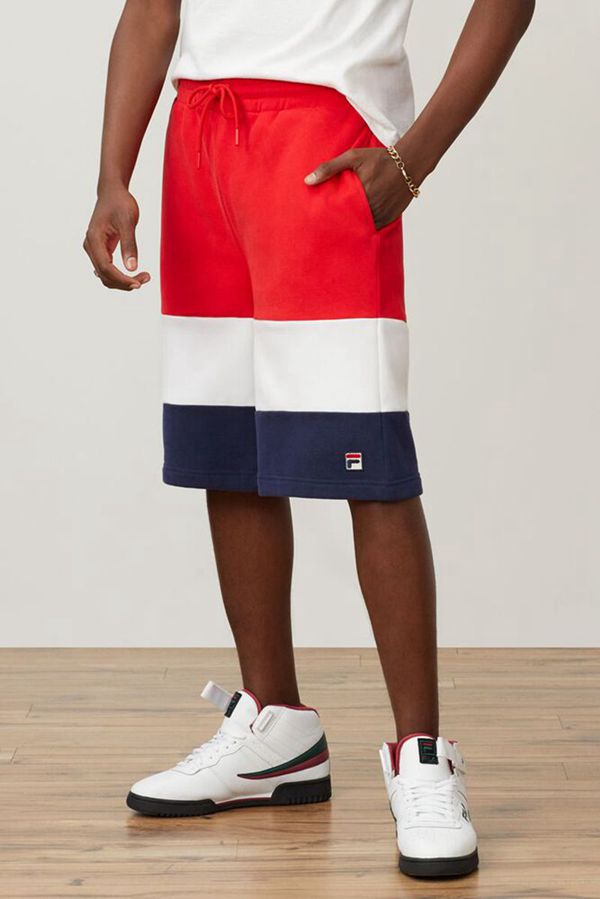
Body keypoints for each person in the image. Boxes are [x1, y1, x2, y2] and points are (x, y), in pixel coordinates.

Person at [84, 0, 535, 879]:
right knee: (228, 445)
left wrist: (412, 159)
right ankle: (278, 728)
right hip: (200, 136)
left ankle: (422, 756)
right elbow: (152, 9)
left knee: (367, 453)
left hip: (323, 136)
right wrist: (113, 173)